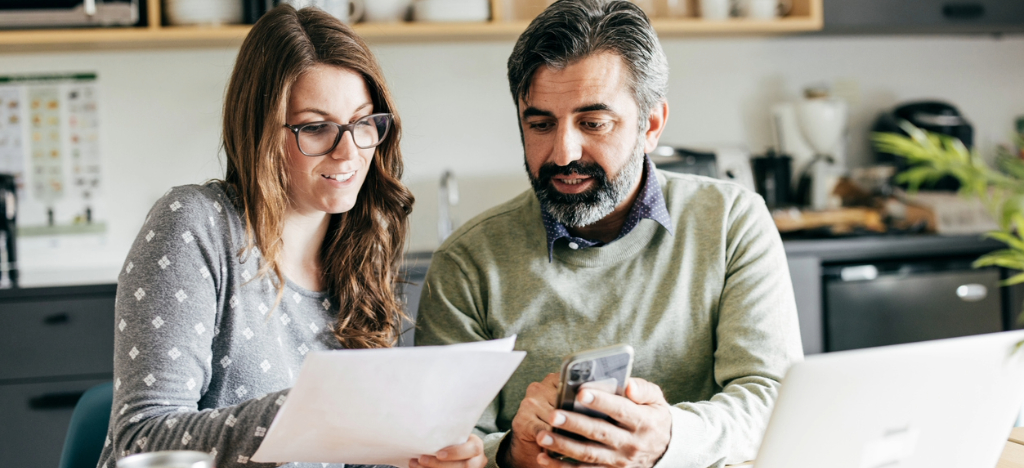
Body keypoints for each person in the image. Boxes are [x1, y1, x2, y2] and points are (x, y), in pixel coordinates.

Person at [414, 1, 803, 467]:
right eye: (540, 124)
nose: (563, 153)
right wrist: (514, 452)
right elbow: (446, 446)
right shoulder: (468, 262)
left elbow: (773, 400)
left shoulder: (731, 221)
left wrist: (668, 439)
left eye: (593, 123)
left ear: (651, 125)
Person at [97, 6, 485, 468]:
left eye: (363, 124)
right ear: (260, 131)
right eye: (317, 128)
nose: (348, 152)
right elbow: (143, 442)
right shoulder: (193, 226)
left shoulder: (360, 250)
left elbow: (358, 453)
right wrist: (316, 410)